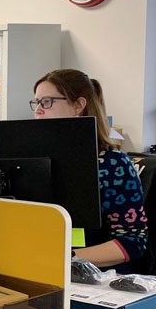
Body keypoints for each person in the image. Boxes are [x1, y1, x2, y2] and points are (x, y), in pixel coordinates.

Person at [32, 69, 147, 271]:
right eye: (36, 102)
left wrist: (67, 257)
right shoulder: (35, 159)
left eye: (47, 102)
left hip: (93, 275)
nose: (38, 110)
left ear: (78, 105)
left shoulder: (113, 164)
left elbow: (132, 242)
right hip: (41, 264)